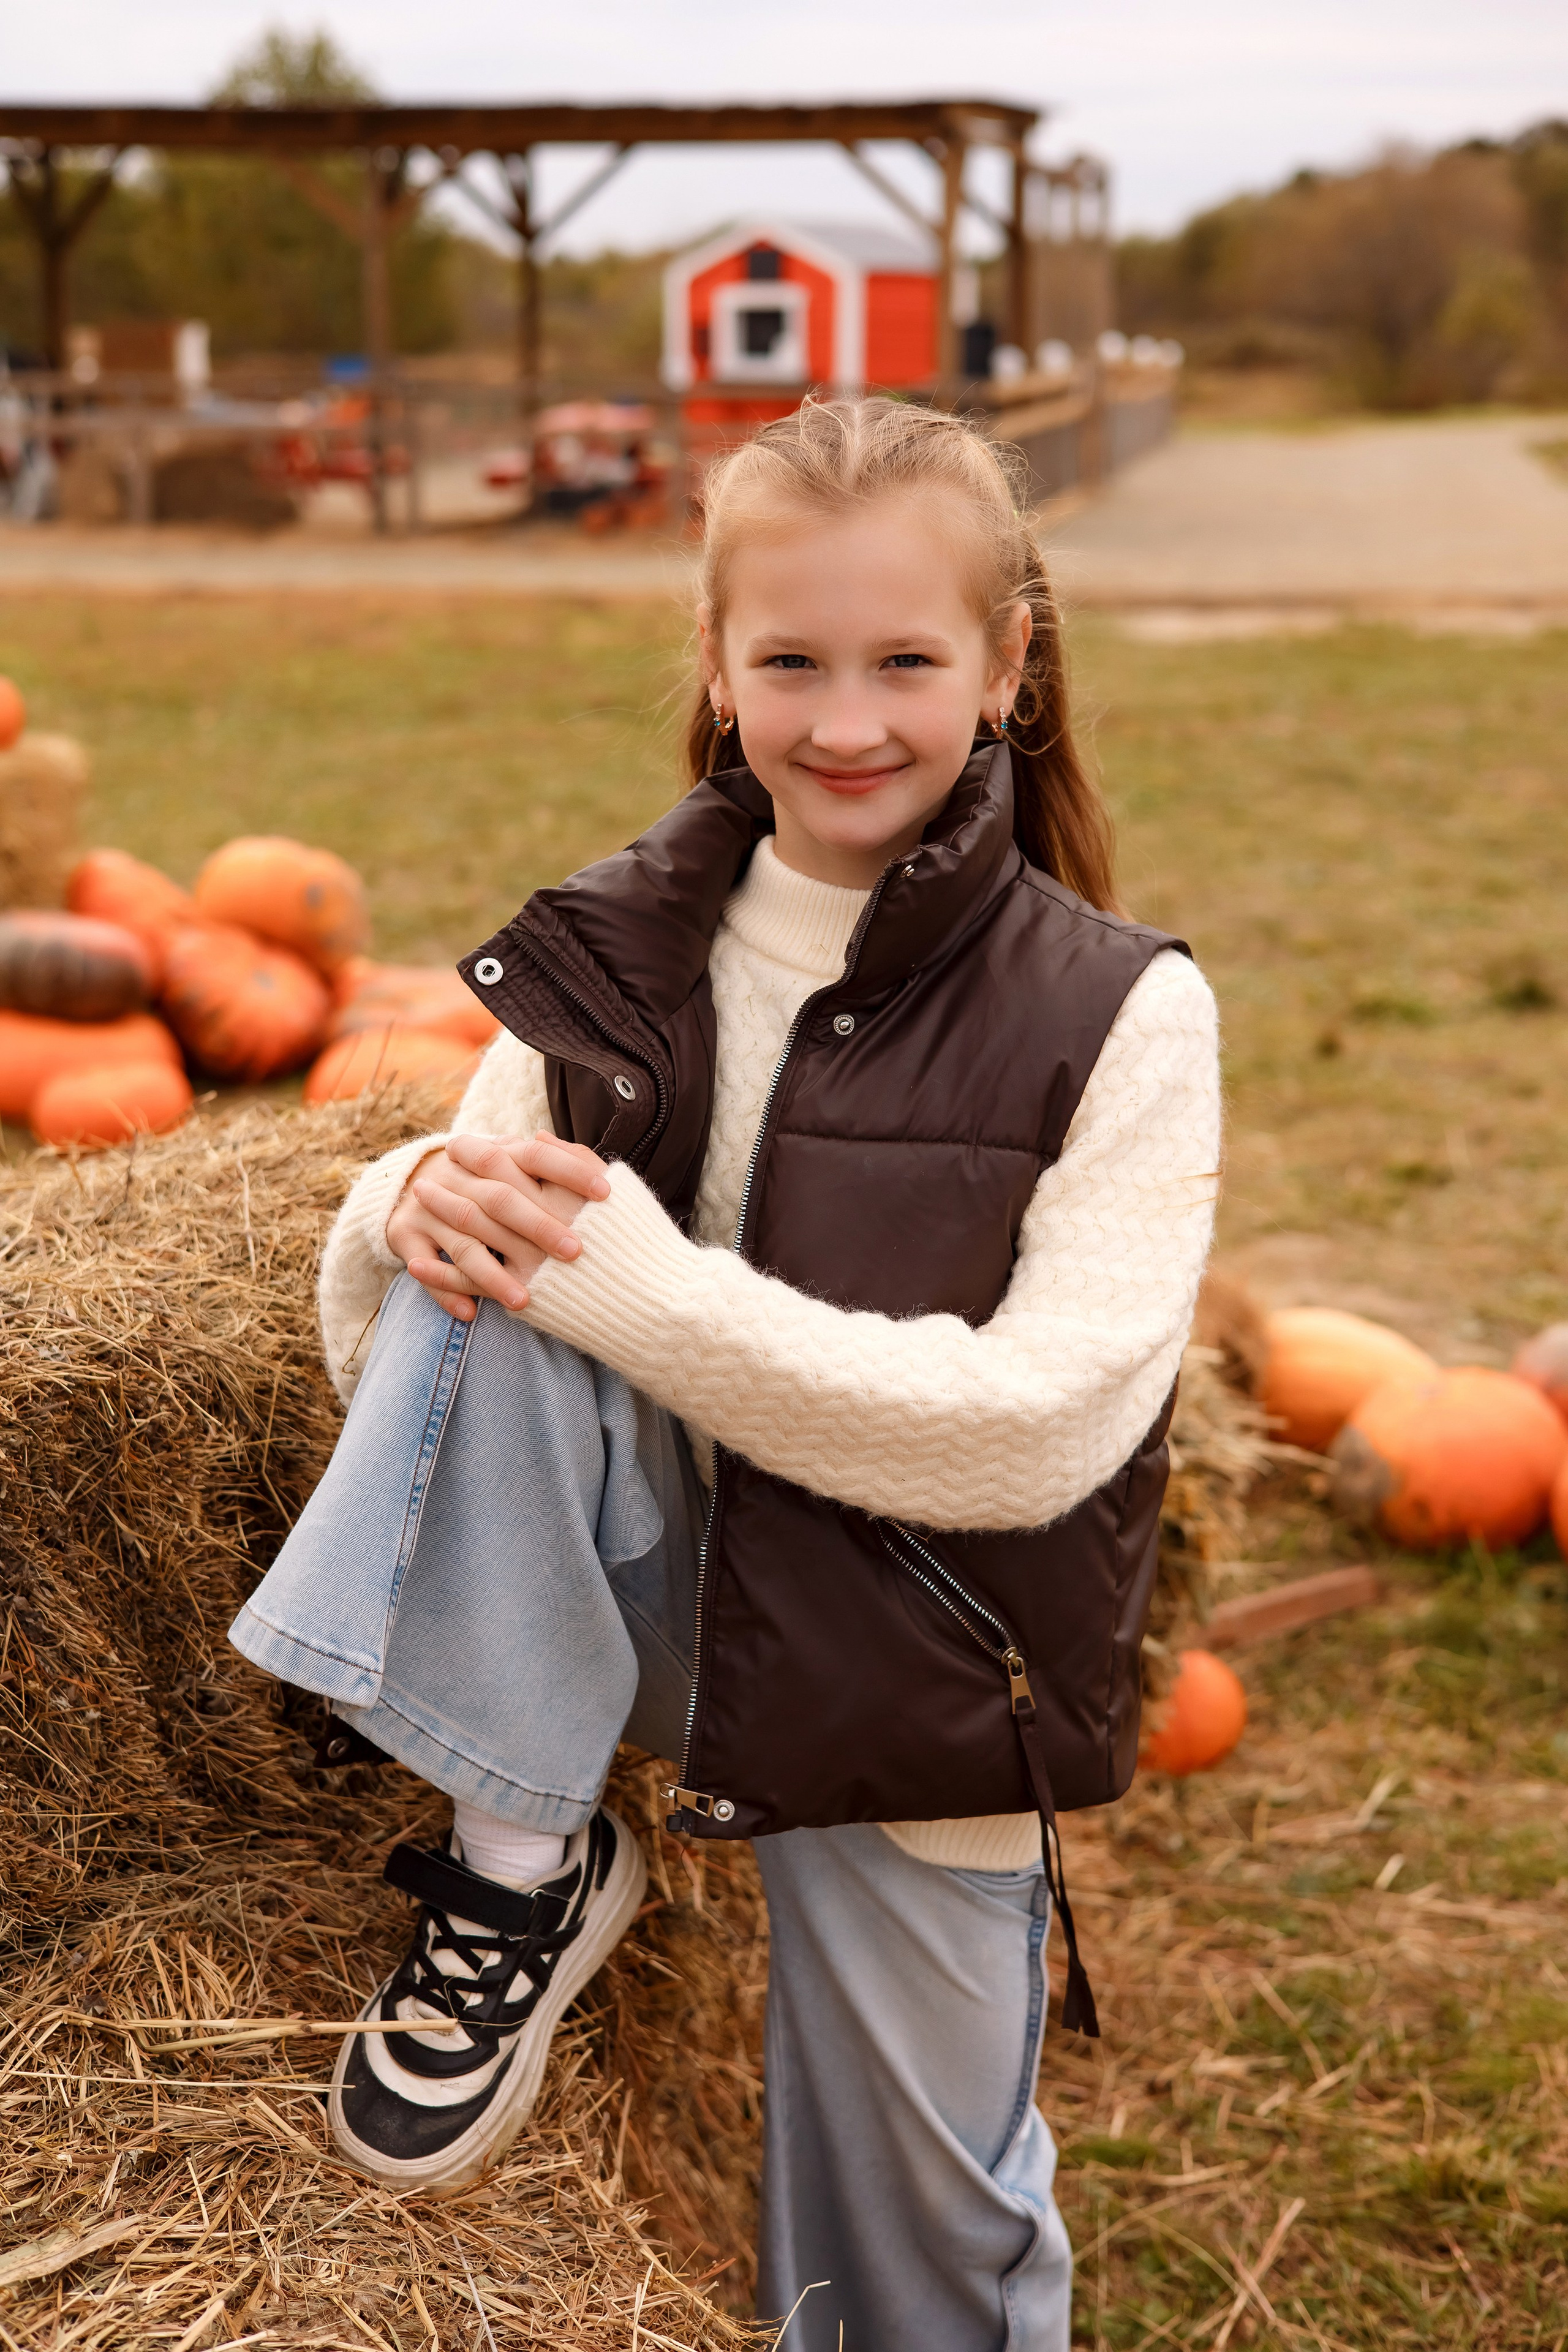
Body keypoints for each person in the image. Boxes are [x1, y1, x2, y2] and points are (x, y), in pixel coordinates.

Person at [232, 397, 1219, 2351]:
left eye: (904, 663)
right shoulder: (620, 955)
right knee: (488, 1227)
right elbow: (428, 1355)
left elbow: (1035, 1437)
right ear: (717, 663)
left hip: (926, 1665)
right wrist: (401, 1206)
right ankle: (525, 1854)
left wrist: (642, 1293)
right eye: (790, 662)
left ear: (1009, 666)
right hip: (660, 1612)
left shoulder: (1121, 1013)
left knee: (910, 2275)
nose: (843, 721)